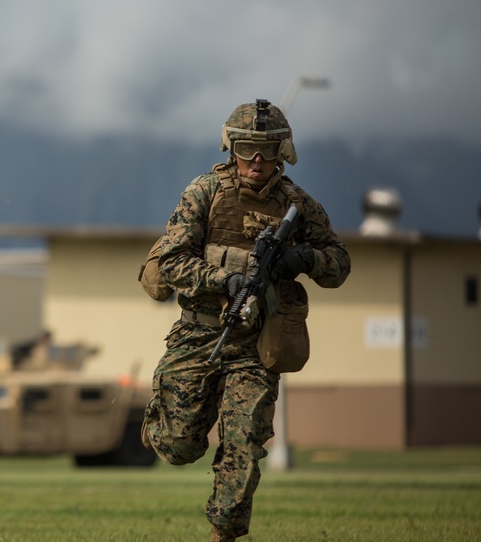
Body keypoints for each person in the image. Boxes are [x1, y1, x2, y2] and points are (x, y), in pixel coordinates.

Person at [141, 99, 351, 541]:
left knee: (244, 442)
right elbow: (174, 262)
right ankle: (164, 424)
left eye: (268, 151)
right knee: (178, 445)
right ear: (230, 148)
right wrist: (224, 279)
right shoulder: (204, 193)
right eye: (247, 149)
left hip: (256, 346)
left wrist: (302, 257)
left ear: (283, 152)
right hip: (199, 332)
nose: (257, 161)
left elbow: (339, 264)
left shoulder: (298, 204)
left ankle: (224, 534)